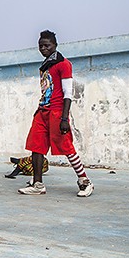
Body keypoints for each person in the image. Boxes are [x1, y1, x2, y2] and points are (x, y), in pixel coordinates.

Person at [18, 30, 93, 197]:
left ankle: (84, 181)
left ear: (55, 46)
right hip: (43, 111)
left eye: (47, 45)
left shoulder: (63, 64)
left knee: (66, 146)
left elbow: (68, 93)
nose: (43, 48)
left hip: (57, 111)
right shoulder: (46, 66)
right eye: (41, 46)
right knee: (36, 146)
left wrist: (64, 118)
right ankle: (37, 184)